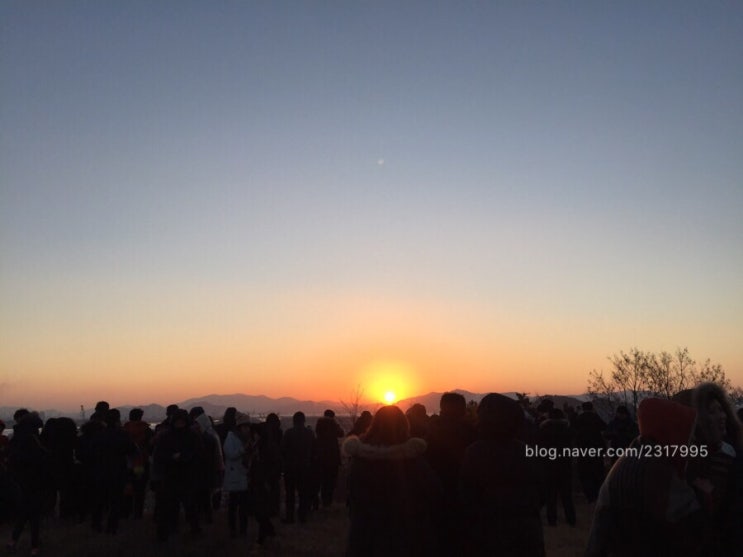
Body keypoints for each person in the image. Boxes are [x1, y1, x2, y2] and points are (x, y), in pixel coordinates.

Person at [585, 397, 703, 557]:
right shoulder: (658, 470)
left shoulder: (632, 456)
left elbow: (600, 525)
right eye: (687, 434)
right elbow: (688, 526)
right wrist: (703, 496)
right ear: (671, 431)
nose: (691, 443)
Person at [343, 405, 441, 557]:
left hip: (364, 538)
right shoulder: (415, 461)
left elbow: (351, 495)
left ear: (374, 425)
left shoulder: (359, 460)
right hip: (406, 539)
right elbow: (433, 493)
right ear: (404, 425)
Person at [459, 393, 545, 557]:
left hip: (487, 534)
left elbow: (467, 496)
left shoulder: (475, 452)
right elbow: (541, 492)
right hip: (527, 535)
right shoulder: (526, 450)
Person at [685, 382, 743, 555]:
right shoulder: (689, 460)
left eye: (721, 409)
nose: (722, 416)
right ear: (699, 419)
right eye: (712, 411)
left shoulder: (732, 454)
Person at [425, 392, 476, 556]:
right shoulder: (473, 434)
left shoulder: (429, 433)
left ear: (442, 408)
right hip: (466, 499)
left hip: (435, 499)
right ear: (462, 410)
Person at [152, 409, 204, 541]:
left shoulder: (192, 436)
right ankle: (165, 534)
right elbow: (158, 456)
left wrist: (183, 457)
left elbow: (198, 454)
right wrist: (171, 458)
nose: (180, 424)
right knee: (167, 507)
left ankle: (195, 531)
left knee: (191, 506)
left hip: (187, 476)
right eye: (177, 422)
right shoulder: (165, 436)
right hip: (170, 476)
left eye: (182, 422)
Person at [6, 411, 48, 556]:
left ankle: (13, 541)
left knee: (26, 511)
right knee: (33, 513)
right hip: (34, 480)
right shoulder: (33, 440)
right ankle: (34, 546)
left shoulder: (15, 438)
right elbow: (41, 459)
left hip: (20, 480)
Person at [537, 408, 576, 527]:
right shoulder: (567, 429)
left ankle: (552, 520)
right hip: (565, 464)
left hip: (549, 465)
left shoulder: (544, 429)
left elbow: (539, 447)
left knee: (551, 495)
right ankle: (571, 519)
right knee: (567, 495)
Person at [281, 411, 315, 523]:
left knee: (290, 494)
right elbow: (314, 450)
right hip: (305, 467)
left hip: (290, 467)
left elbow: (283, 450)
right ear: (304, 420)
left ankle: (290, 517)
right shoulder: (309, 433)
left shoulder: (288, 433)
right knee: (303, 493)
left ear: (293, 421)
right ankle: (302, 516)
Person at [122, 408, 153, 520]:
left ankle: (126, 512)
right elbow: (151, 447)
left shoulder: (124, 430)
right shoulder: (146, 430)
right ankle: (138, 514)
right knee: (140, 488)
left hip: (127, 464)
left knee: (128, 487)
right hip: (141, 463)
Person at [574, 401, 607, 503]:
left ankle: (589, 495)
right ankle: (598, 494)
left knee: (585, 473)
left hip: (583, 450)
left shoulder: (579, 419)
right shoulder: (595, 417)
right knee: (597, 472)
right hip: (597, 449)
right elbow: (604, 427)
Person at [314, 409, 344, 508]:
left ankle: (319, 501)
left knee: (321, 481)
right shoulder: (333, 424)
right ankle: (327, 502)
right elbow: (341, 433)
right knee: (330, 481)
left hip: (320, 457)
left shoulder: (320, 424)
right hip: (332, 458)